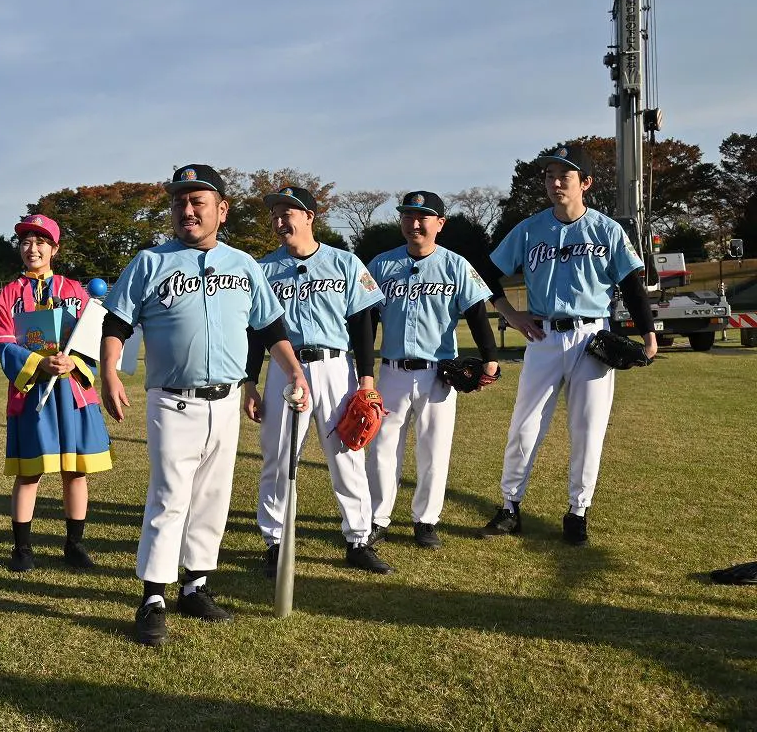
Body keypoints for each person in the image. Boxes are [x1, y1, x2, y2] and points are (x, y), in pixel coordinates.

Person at [100, 165, 312, 648]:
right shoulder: (150, 262)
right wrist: (110, 371)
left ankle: (195, 586)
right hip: (172, 399)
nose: (187, 209)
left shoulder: (244, 265)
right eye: (179, 202)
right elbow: (116, 321)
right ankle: (153, 596)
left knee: (213, 499)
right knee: (170, 496)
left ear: (222, 209)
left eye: (198, 201)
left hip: (227, 399)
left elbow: (270, 328)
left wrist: (294, 369)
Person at [479, 145, 657, 545]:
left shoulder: (607, 229)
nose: (555, 182)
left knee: (587, 429)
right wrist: (511, 314)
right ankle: (509, 506)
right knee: (524, 428)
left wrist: (648, 336)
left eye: (565, 175)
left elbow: (631, 282)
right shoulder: (528, 229)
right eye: (549, 175)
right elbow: (487, 272)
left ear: (586, 183)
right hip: (542, 337)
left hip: (592, 338)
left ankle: (578, 512)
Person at [242, 185, 393, 579]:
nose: (279, 221)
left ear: (310, 216)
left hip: (334, 368)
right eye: (275, 214)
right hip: (284, 368)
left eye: (287, 212)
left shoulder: (344, 262)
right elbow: (256, 331)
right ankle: (274, 542)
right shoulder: (263, 270)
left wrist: (366, 380)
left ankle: (359, 539)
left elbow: (362, 324)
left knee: (347, 453)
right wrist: (250, 382)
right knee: (278, 456)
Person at [364, 191, 498, 552]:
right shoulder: (380, 265)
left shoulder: (455, 264)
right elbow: (367, 319)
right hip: (391, 371)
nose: (415, 224)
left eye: (423, 217)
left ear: (440, 223)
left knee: (434, 450)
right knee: (382, 449)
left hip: (439, 374)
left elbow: (476, 313)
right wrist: (362, 368)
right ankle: (377, 518)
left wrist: (490, 357)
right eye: (408, 216)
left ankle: (426, 521)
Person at [0, 214, 111, 573]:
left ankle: (75, 545)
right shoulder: (8, 295)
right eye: (26, 242)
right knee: (29, 473)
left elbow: (92, 338)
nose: (33, 249)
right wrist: (39, 365)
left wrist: (74, 364)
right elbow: (2, 343)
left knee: (75, 472)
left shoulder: (74, 290)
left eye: (41, 242)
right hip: (31, 395)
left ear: (54, 248)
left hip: (72, 393)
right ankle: (22, 548)